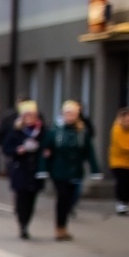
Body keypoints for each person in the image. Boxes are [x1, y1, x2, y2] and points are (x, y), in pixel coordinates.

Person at [45, 100, 99, 241]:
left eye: (73, 113)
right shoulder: (55, 131)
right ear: (63, 114)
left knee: (72, 197)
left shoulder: (82, 132)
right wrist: (43, 168)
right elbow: (46, 150)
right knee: (62, 197)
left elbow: (89, 152)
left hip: (75, 170)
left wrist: (95, 170)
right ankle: (60, 228)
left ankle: (64, 226)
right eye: (67, 113)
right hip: (58, 171)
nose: (70, 116)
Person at [2, 101, 46, 239]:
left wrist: (46, 152)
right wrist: (17, 150)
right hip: (20, 169)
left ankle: (26, 222)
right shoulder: (16, 131)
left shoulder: (42, 131)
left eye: (32, 115)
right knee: (21, 199)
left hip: (35, 170)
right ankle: (22, 225)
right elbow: (6, 148)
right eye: (27, 115)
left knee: (31, 200)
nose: (29, 118)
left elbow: (48, 145)